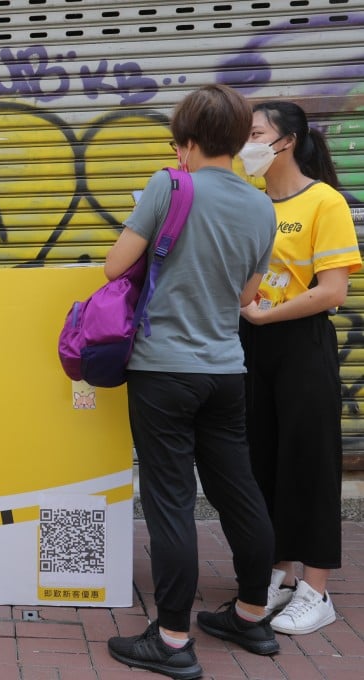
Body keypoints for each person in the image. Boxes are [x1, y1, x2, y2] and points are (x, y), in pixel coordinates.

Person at [103, 84, 281, 679]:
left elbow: (114, 264)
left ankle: (173, 639)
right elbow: (245, 297)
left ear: (187, 140)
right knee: (238, 490)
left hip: (163, 370)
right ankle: (254, 615)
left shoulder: (170, 186)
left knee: (172, 501)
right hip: (227, 370)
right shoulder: (262, 206)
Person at [238, 101, 361, 635]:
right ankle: (277, 574)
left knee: (309, 464)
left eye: (255, 133)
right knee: (262, 459)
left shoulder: (323, 201)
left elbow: (333, 291)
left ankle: (317, 589)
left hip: (300, 343)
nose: (246, 144)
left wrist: (267, 315)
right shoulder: (252, 201)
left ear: (285, 141)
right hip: (252, 341)